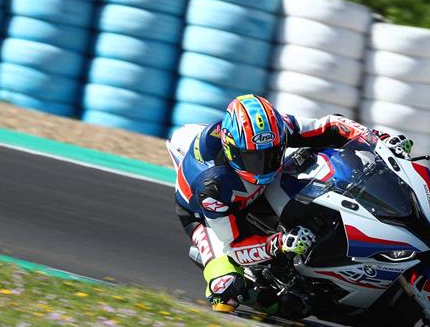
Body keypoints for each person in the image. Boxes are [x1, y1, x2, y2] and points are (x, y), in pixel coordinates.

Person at [168, 93, 412, 315]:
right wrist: (279, 244)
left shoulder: (278, 128)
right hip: (209, 216)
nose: (264, 165)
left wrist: (378, 140)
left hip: (259, 188)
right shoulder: (212, 187)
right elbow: (235, 246)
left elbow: (331, 125)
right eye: (255, 159)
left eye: (271, 153)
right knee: (228, 287)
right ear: (234, 151)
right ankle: (260, 296)